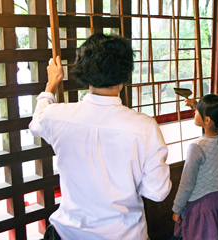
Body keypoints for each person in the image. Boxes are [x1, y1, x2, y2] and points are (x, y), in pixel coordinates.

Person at [29, 33, 172, 240]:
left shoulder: (56, 116)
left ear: (84, 73)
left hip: (69, 232)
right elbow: (157, 192)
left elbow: (36, 122)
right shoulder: (144, 127)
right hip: (125, 234)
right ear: (125, 76)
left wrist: (52, 83)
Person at [172, 94, 218, 240]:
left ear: (207, 120)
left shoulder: (197, 147)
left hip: (199, 204)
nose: (194, 112)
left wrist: (177, 209)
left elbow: (187, 183)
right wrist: (196, 105)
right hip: (217, 199)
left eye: (198, 111)